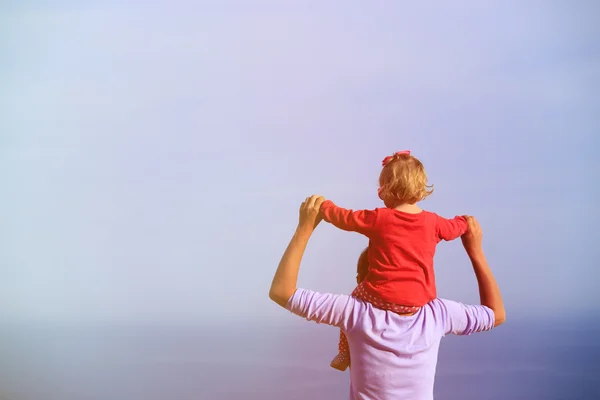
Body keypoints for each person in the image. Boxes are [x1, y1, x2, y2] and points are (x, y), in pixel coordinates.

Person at [269, 195, 506, 400]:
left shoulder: (353, 313)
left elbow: (282, 291)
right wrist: (475, 251)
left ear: (362, 278)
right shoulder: (436, 315)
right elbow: (495, 314)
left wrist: (305, 227)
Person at [320, 151, 468, 370]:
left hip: (380, 296)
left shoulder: (379, 218)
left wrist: (324, 207)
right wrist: (464, 221)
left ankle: (345, 352)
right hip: (420, 302)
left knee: (353, 300)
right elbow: (456, 228)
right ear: (420, 189)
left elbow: (346, 218)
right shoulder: (434, 223)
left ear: (388, 189)